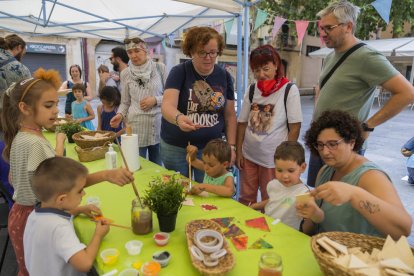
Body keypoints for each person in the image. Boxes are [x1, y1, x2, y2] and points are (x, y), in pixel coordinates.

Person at [1, 69, 133, 276]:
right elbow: (60, 186)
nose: (56, 111)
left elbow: (35, 189)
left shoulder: (23, 135)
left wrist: (77, 210)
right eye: (48, 105)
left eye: (55, 104)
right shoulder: (34, 143)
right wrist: (107, 175)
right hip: (31, 215)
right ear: (24, 108)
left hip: (27, 213)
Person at [307, 0, 414, 187]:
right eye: (321, 28)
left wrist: (368, 126)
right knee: (319, 198)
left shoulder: (367, 57)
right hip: (322, 142)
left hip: (344, 148)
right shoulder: (332, 54)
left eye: (328, 28)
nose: (322, 34)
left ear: (348, 26)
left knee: (338, 205)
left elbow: (407, 93)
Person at [296, 110, 411, 240]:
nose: (325, 152)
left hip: (360, 256)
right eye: (320, 145)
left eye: (333, 144)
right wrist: (312, 214)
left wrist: (354, 194)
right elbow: (314, 225)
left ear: (351, 143)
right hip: (326, 252)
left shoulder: (371, 176)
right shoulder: (325, 171)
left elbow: (403, 229)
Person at [161, 26, 237, 183]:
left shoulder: (224, 76)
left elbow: (230, 115)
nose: (208, 57)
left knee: (208, 194)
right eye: (202, 52)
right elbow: (167, 105)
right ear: (191, 52)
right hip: (177, 147)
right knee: (179, 191)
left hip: (211, 151)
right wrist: (179, 118)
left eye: (213, 52)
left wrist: (231, 146)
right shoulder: (179, 72)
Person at [236, 45, 302, 206]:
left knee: (271, 200)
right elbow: (242, 123)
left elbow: (295, 128)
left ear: (276, 65)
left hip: (273, 161)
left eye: (266, 69)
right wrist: (238, 152)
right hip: (249, 155)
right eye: (256, 70)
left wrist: (286, 159)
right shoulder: (252, 89)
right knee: (245, 198)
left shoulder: (289, 90)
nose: (261, 75)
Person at [24, 157, 110, 276]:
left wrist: (79, 209)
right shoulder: (60, 228)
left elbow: (52, 219)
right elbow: (85, 264)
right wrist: (98, 235)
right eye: (80, 191)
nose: (84, 193)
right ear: (62, 199)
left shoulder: (35, 214)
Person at [110, 37, 165, 165]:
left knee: (156, 167)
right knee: (136, 165)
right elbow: (125, 102)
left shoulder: (159, 68)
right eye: (130, 52)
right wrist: (119, 115)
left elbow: (170, 96)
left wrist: (155, 100)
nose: (133, 55)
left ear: (145, 50)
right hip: (135, 127)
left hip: (157, 126)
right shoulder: (125, 74)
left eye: (137, 51)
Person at [0, 34, 30, 208]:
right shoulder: (20, 69)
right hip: (11, 133)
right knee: (15, 182)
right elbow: (30, 101)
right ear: (18, 47)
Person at [249, 141, 308, 230]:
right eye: (279, 170)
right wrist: (255, 206)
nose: (284, 176)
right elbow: (274, 200)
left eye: (291, 171)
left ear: (302, 168)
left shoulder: (303, 193)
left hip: (286, 234)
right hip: (267, 227)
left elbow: (310, 219)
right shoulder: (274, 184)